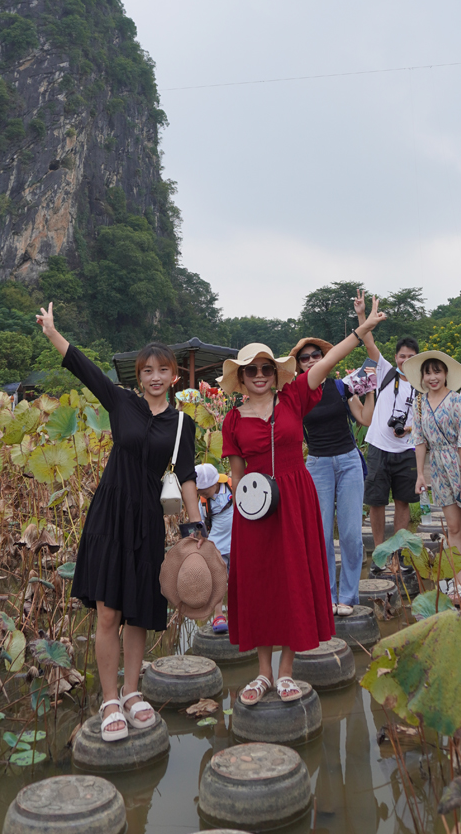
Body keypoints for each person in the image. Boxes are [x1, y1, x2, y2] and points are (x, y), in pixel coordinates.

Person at [35, 303, 201, 742]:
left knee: (138, 612)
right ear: (138, 376)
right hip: (110, 515)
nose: (154, 377)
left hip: (147, 519)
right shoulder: (121, 402)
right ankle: (110, 699)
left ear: (174, 376)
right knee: (109, 610)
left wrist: (195, 527)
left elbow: (186, 476)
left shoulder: (182, 424)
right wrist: (52, 332)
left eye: (162, 370)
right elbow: (84, 368)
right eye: (147, 370)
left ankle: (132, 692)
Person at [220, 297, 385, 706]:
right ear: (241, 377)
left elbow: (328, 362)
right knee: (260, 583)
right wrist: (242, 510)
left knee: (293, 578)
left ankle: (286, 672)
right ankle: (262, 673)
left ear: (276, 373)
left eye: (266, 369)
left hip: (295, 497)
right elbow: (236, 475)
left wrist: (362, 330)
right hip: (255, 508)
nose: (260, 375)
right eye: (252, 370)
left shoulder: (294, 396)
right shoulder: (233, 420)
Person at [290, 337, 374, 617]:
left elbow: (365, 418)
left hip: (348, 461)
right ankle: (327, 597)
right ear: (298, 365)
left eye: (316, 355)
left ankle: (348, 596)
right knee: (321, 535)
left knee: (351, 534)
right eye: (304, 358)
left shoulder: (341, 386)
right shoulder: (297, 393)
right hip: (318, 465)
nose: (311, 360)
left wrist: (370, 390)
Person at [403, 349, 461, 603]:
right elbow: (419, 441)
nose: (433, 377)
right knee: (453, 528)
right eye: (428, 373)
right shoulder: (420, 403)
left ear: (445, 374)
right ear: (422, 377)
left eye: (437, 372)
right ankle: (458, 583)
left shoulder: (456, 401)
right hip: (440, 470)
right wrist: (420, 474)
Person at [353, 291, 420, 572]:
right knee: (377, 502)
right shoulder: (386, 371)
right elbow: (368, 342)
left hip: (407, 450)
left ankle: (398, 554)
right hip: (379, 447)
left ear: (418, 359)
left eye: (411, 357)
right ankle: (381, 555)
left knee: (403, 502)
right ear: (395, 357)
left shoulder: (424, 384)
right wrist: (362, 315)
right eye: (402, 356)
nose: (405, 360)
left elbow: (426, 420)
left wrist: (409, 428)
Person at [194, 462, 234, 633]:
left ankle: (235, 615)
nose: (202, 494)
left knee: (237, 581)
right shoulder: (203, 502)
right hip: (217, 546)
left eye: (205, 490)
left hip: (237, 543)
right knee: (218, 581)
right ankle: (218, 616)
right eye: (200, 492)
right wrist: (199, 537)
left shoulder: (233, 489)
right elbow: (200, 523)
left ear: (215, 483)